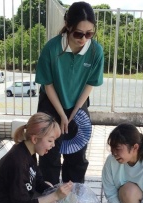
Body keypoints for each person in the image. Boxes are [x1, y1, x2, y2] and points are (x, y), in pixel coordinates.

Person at [35, 1, 104, 185]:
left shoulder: (96, 51)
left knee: (77, 155)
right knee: (49, 153)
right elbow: (47, 85)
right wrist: (61, 114)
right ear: (68, 26)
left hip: (78, 103)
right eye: (78, 33)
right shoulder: (52, 48)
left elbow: (90, 83)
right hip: (51, 102)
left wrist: (74, 112)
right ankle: (48, 202)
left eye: (89, 33)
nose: (83, 39)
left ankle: (71, 202)